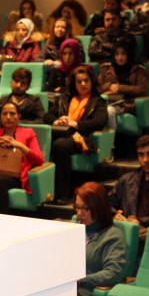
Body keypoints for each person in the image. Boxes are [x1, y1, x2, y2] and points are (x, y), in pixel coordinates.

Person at [46, 66, 108, 202]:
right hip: (61, 132)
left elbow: (100, 121)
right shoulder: (64, 98)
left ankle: (63, 193)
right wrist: (58, 121)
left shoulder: (97, 101)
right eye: (79, 81)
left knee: (60, 145)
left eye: (86, 80)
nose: (83, 84)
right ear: (74, 84)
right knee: (43, 141)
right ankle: (44, 189)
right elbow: (47, 116)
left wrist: (75, 124)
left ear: (91, 81)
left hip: (81, 138)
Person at [73, 181, 127, 296]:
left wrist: (81, 280)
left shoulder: (113, 236)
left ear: (99, 208)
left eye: (85, 208)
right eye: (77, 207)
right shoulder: (73, 228)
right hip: (68, 290)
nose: (79, 213)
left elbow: (113, 273)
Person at [0, 102, 44, 214]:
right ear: (0, 117)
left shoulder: (28, 133)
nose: (8, 117)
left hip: (16, 177)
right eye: (5, 114)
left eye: (12, 114)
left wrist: (19, 145)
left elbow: (39, 159)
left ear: (19, 116)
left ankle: (2, 218)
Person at [98, 39, 148, 131]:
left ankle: (109, 139)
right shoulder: (106, 68)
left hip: (128, 104)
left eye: (123, 54)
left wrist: (120, 88)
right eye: (117, 54)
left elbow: (142, 88)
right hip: (108, 100)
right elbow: (98, 86)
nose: (120, 57)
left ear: (128, 54)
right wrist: (109, 86)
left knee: (109, 110)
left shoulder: (138, 69)